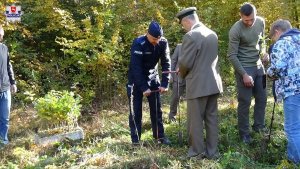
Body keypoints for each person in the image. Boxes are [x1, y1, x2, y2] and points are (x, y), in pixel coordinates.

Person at [176, 7, 223, 159]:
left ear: (186, 20)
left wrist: (180, 73)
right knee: (211, 120)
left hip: (197, 85)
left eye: (183, 24)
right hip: (213, 84)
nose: (184, 27)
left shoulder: (192, 35)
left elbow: (185, 63)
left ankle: (196, 152)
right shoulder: (212, 33)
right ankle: (212, 152)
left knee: (195, 122)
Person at [227, 2, 269, 144]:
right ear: (241, 17)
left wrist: (264, 52)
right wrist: (244, 74)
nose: (250, 22)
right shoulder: (235, 30)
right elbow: (232, 55)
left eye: (252, 19)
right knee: (245, 102)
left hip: (259, 67)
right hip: (244, 68)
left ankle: (259, 127)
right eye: (246, 20)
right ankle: (244, 134)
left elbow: (262, 41)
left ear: (255, 14)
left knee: (262, 98)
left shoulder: (261, 22)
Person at [127, 21, 171, 145]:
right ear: (147, 34)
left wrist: (164, 83)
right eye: (153, 39)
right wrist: (143, 87)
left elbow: (166, 63)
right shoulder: (138, 43)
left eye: (158, 39)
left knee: (157, 110)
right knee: (135, 112)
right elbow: (136, 68)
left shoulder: (163, 42)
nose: (156, 42)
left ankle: (159, 137)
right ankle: (135, 141)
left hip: (153, 78)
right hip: (136, 81)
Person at [267, 19, 300, 164]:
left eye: (273, 37)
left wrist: (268, 72)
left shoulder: (281, 43)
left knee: (293, 128)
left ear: (277, 32)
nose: (274, 40)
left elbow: (277, 68)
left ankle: (294, 161)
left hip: (292, 91)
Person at [0, 25, 17, 147]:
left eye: (1, 35)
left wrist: (13, 82)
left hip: (5, 89)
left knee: (5, 118)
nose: (0, 37)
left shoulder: (4, 48)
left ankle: (3, 141)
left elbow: (8, 66)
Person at [168, 44, 186, 121]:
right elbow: (173, 60)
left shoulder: (197, 47)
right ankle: (172, 116)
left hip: (193, 79)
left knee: (194, 99)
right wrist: (171, 74)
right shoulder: (179, 47)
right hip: (178, 77)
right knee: (175, 97)